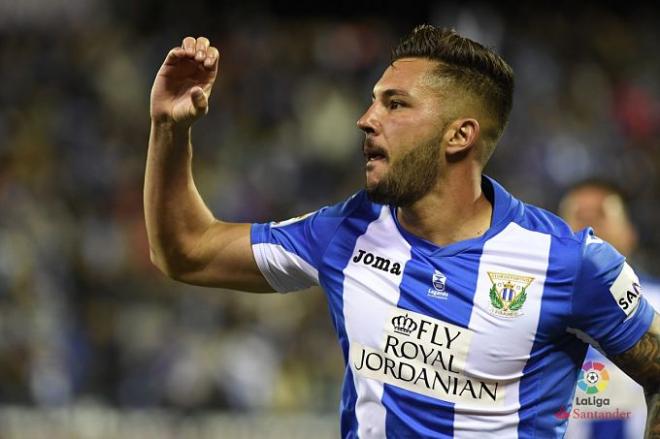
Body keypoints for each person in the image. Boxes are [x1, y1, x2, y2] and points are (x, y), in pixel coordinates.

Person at [144, 25, 659, 438]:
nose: (365, 120)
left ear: (460, 135)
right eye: (373, 101)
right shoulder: (345, 231)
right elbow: (186, 252)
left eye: (395, 104)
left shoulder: (569, 262)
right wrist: (170, 127)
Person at [559, 179, 660, 439]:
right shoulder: (529, 308)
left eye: (601, 214)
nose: (589, 229)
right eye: (579, 216)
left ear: (630, 232)